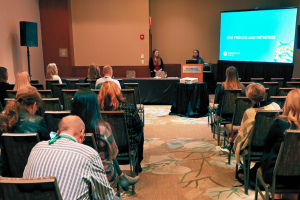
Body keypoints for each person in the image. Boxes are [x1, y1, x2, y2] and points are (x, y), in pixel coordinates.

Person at [23, 116, 119, 200]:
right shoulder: (89, 154)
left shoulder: (37, 147)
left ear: (58, 133)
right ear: (82, 134)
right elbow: (105, 196)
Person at [71, 89, 140, 191]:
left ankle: (122, 177)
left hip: (75, 172)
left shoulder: (68, 130)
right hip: (102, 174)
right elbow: (114, 153)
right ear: (95, 106)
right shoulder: (102, 128)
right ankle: (122, 176)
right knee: (108, 153)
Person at [248, 89, 300, 199]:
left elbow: (266, 145)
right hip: (297, 174)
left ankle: (275, 195)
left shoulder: (281, 122)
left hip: (277, 174)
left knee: (270, 156)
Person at [0, 86, 49, 176]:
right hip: (34, 172)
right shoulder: (38, 121)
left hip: (9, 176)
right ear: (34, 105)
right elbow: (47, 148)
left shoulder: (4, 119)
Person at [228, 83, 280, 165]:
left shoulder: (249, 112)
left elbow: (243, 132)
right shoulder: (276, 107)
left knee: (234, 136)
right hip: (273, 143)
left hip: (254, 146)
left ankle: (245, 167)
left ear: (249, 97)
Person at [98, 81, 144, 173]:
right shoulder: (129, 107)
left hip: (105, 146)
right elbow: (139, 126)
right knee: (140, 131)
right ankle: (137, 164)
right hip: (128, 146)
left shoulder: (97, 110)